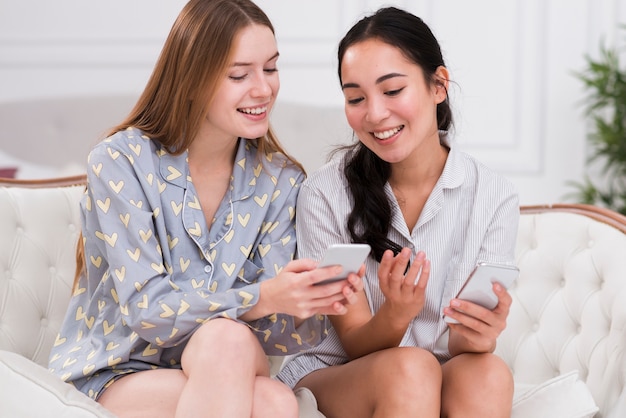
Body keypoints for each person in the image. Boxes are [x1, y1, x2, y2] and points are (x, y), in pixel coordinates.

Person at [47, 1, 363, 417]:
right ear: (192, 80)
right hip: (117, 372)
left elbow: (276, 337)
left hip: (226, 359)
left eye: (270, 69)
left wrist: (307, 305)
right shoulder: (120, 162)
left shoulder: (280, 181)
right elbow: (149, 312)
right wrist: (262, 296)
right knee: (271, 399)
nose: (264, 89)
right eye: (239, 74)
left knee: (228, 343)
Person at [277, 6, 520, 418]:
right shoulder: (324, 193)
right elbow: (352, 341)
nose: (374, 114)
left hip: (433, 369)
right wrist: (397, 313)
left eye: (392, 91)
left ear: (438, 85)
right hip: (336, 373)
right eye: (355, 97)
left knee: (489, 372)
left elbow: (459, 347)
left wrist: (478, 335)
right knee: (412, 368)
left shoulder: (494, 196)